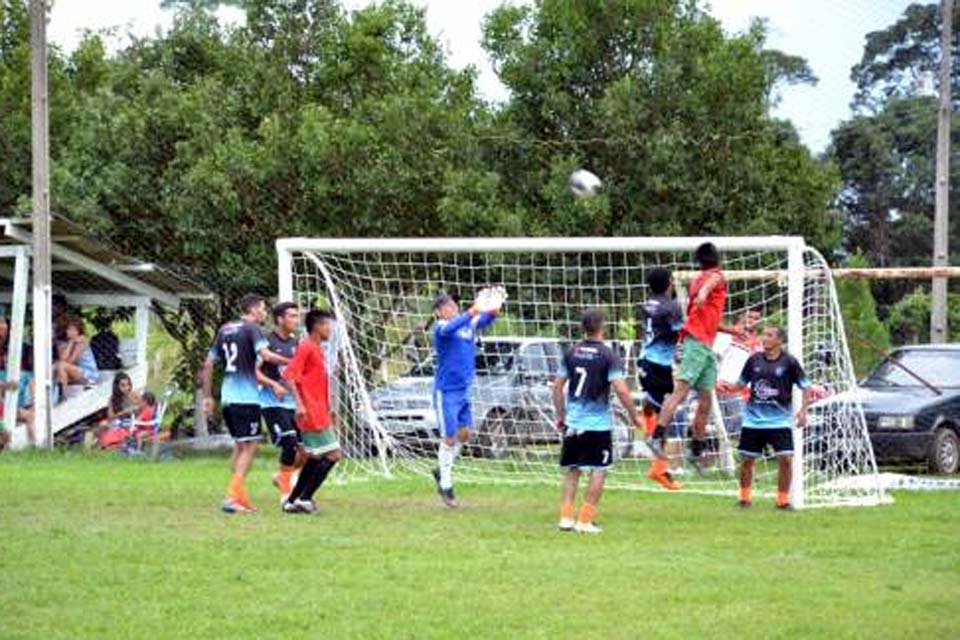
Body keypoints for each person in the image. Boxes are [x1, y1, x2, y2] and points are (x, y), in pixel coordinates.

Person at [553, 309, 643, 534]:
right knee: (598, 470)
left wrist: (561, 415)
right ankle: (585, 520)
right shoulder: (608, 355)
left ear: (583, 328)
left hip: (573, 422)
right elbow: (622, 390)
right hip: (597, 425)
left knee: (572, 470)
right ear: (602, 327)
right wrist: (634, 415)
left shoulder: (572, 352)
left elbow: (557, 386)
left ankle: (566, 518)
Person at [201, 293, 289, 514]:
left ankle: (238, 495)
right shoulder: (252, 329)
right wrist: (294, 361)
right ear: (252, 310)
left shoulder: (225, 329)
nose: (265, 313)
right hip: (245, 397)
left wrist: (207, 396)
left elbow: (209, 363)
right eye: (262, 309)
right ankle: (232, 496)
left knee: (242, 446)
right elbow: (267, 356)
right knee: (251, 446)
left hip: (228, 396)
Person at [648, 242, 727, 468]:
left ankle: (696, 447)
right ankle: (656, 437)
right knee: (680, 392)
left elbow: (705, 318)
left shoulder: (697, 281)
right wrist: (704, 292)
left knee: (706, 398)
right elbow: (713, 282)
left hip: (703, 345)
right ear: (716, 258)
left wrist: (732, 331)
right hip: (696, 344)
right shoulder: (715, 277)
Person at [718, 326, 813, 509]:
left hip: (780, 421)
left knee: (785, 459)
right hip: (753, 420)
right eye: (764, 334)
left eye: (769, 335)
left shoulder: (790, 362)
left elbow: (806, 386)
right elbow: (741, 383)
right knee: (747, 460)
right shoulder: (754, 360)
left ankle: (782, 501)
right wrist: (729, 387)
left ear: (779, 340)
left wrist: (803, 410)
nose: (764, 338)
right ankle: (744, 499)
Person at [430, 291, 499, 508]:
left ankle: (442, 469)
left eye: (453, 306)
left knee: (465, 434)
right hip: (446, 392)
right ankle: (446, 483)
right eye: (447, 307)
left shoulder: (467, 324)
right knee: (449, 438)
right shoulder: (441, 327)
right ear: (439, 312)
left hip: (463, 391)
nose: (452, 309)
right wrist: (473, 310)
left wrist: (494, 305)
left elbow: (487, 318)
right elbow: (452, 326)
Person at [282, 309, 341, 514]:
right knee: (334, 455)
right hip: (311, 411)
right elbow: (289, 375)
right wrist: (299, 404)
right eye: (327, 325)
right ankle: (305, 498)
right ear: (316, 326)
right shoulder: (306, 346)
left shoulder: (317, 348)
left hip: (318, 410)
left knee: (315, 457)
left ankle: (292, 500)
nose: (330, 329)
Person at [637, 267, 684, 491]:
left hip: (645, 359)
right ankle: (659, 468)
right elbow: (682, 332)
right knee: (665, 414)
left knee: (653, 407)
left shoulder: (647, 304)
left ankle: (656, 456)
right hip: (659, 364)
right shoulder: (671, 307)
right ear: (669, 284)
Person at [256, 302, 301, 500]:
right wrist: (273, 385)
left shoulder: (295, 343)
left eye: (297, 316)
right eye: (292, 316)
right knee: (289, 442)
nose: (296, 320)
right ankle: (286, 493)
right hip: (271, 403)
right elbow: (253, 372)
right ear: (280, 319)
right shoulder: (265, 341)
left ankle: (283, 476)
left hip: (293, 402)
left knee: (309, 450)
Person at [54, 317, 100, 392]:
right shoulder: (67, 342)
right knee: (56, 369)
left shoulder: (82, 341)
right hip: (77, 372)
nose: (71, 332)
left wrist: (72, 343)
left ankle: (62, 397)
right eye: (69, 329)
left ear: (79, 331)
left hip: (89, 374)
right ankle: (57, 396)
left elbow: (71, 360)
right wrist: (70, 343)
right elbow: (63, 359)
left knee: (60, 365)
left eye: (74, 330)